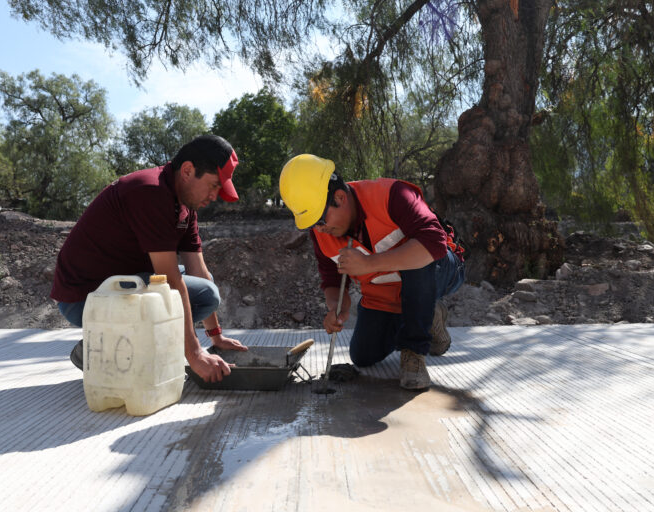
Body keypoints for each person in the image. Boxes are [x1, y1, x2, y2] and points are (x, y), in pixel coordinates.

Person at [51, 134, 247, 383]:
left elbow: (197, 270)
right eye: (213, 185)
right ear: (187, 170)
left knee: (206, 288)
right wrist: (195, 353)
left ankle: (118, 343)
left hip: (120, 287)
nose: (215, 195)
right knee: (199, 293)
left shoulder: (185, 205)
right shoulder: (151, 192)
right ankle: (103, 350)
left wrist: (215, 337)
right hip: (84, 298)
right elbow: (171, 281)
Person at [279, 154, 464, 390]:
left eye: (321, 218)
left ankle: (414, 350)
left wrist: (370, 263)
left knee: (419, 258)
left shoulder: (392, 195)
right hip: (386, 291)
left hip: (439, 270)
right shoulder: (322, 233)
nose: (320, 228)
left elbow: (434, 243)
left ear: (339, 197)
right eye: (313, 223)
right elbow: (331, 278)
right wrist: (338, 307)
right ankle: (427, 318)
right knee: (363, 355)